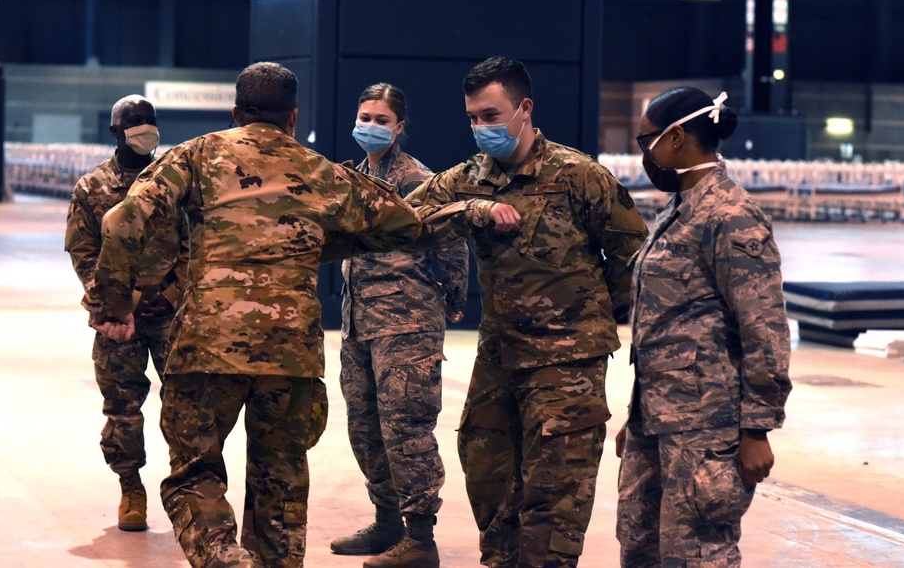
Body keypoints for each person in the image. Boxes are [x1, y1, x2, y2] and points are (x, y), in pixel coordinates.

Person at [84, 62, 510, 568]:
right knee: (280, 478)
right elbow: (404, 225)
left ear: (237, 112)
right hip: (292, 356)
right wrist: (470, 211)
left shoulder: (194, 155)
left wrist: (112, 306)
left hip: (207, 347)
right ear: (292, 117)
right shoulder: (320, 171)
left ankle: (222, 555)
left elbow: (120, 221)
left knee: (195, 472)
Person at [405, 56, 649, 568]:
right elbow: (406, 219)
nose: (480, 127)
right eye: (472, 117)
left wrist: (592, 313)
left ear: (524, 109)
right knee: (485, 463)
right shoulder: (469, 179)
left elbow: (633, 253)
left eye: (491, 115)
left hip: (567, 360)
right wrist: (472, 211)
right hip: (500, 353)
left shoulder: (580, 175)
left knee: (557, 487)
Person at [615, 86, 793, 567]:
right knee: (639, 545)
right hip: (658, 419)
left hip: (707, 431)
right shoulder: (677, 210)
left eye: (645, 140)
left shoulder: (731, 215)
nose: (644, 152)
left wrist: (757, 428)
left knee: (697, 553)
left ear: (676, 137)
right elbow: (668, 324)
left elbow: (765, 326)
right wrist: (639, 415)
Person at [331, 84, 469, 568]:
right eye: (364, 115)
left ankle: (420, 539)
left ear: (400, 126)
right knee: (365, 427)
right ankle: (387, 522)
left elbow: (451, 240)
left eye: (381, 119)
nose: (370, 125)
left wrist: (453, 295)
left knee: (406, 430)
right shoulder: (352, 176)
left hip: (406, 324)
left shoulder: (418, 180)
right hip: (357, 323)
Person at [65, 94, 187, 532]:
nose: (145, 129)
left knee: (186, 405)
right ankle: (131, 487)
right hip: (117, 317)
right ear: (115, 132)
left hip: (173, 312)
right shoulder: (91, 188)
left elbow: (195, 244)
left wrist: (171, 292)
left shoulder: (176, 181)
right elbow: (84, 254)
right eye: (134, 123)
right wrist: (129, 301)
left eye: (150, 122)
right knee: (122, 407)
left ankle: (187, 491)